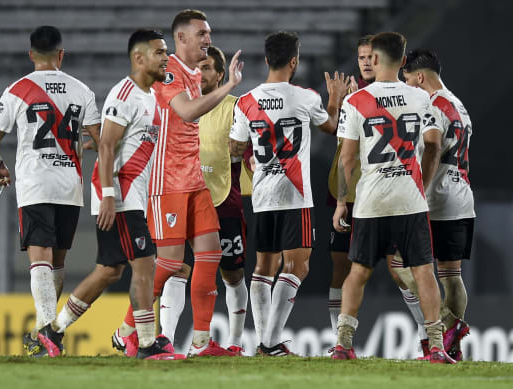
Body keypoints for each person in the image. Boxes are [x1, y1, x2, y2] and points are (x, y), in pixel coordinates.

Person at [41, 30, 185, 360]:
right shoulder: (125, 93)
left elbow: (114, 141)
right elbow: (106, 146)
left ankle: (53, 330)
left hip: (129, 193)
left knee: (110, 270)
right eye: (160, 52)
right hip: (120, 194)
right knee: (145, 264)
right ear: (139, 58)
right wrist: (109, 194)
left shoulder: (150, 96)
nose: (166, 58)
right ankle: (147, 345)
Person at [113, 9, 244, 357]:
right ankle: (127, 329)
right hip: (166, 180)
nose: (208, 40)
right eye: (202, 34)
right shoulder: (168, 70)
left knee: (211, 254)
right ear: (181, 38)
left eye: (209, 33)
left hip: (194, 179)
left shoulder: (190, 73)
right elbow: (187, 112)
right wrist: (229, 85)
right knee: (170, 262)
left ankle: (201, 343)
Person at [330, 32, 455, 364]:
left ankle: (343, 343)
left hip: (371, 200)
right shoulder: (420, 98)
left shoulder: (355, 102)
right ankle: (437, 346)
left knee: (358, 271)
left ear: (373, 58)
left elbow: (348, 158)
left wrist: (343, 201)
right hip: (409, 199)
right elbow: (432, 145)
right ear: (402, 61)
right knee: (423, 270)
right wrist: (423, 184)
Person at [0, 26, 100, 357]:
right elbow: (102, 138)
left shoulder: (18, 89)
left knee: (40, 259)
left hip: (36, 184)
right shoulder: (82, 91)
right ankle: (46, 333)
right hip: (70, 186)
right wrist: (87, 144)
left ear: (31, 53)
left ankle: (46, 333)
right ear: (61, 54)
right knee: (57, 260)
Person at [230, 31, 349, 356]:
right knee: (298, 266)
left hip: (263, 193)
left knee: (264, 267)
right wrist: (335, 100)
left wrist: (252, 158)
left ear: (267, 59)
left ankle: (267, 342)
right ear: (294, 61)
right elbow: (333, 126)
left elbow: (236, 147)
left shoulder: (247, 101)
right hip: (295, 195)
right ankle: (269, 341)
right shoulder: (305, 97)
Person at [156, 46, 252, 355]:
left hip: (223, 200)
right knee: (177, 268)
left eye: (208, 68)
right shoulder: (178, 103)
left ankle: (235, 342)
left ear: (221, 75)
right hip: (181, 196)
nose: (202, 73)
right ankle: (166, 339)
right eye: (200, 68)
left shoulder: (235, 107)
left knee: (232, 273)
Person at [402, 48, 475, 361]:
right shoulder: (459, 105)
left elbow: (430, 150)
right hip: (462, 196)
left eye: (408, 82)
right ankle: (452, 342)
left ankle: (438, 334)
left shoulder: (432, 105)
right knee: (451, 275)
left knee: (406, 266)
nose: (408, 89)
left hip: (437, 198)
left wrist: (419, 189)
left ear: (420, 77)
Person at [325, 35, 375, 335]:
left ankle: (426, 335)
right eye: (361, 57)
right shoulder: (348, 92)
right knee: (341, 266)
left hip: (379, 193)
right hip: (344, 191)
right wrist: (335, 101)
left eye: (371, 56)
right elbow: (330, 130)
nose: (366, 62)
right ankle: (338, 338)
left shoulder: (390, 93)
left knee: (400, 269)